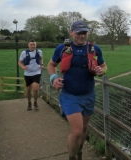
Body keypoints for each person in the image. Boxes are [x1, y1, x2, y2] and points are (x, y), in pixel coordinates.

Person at [47, 20, 107, 160]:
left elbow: (104, 66)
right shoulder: (62, 49)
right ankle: (72, 157)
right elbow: (51, 65)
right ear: (71, 32)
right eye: (78, 32)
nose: (82, 36)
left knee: (84, 129)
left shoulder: (94, 49)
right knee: (77, 131)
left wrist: (101, 71)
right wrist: (53, 78)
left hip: (88, 95)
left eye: (84, 32)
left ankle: (79, 151)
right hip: (70, 95)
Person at [18, 39, 44, 110]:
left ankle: (35, 102)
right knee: (28, 89)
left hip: (36, 72)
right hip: (28, 73)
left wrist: (41, 64)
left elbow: (41, 58)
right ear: (28, 45)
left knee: (35, 88)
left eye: (34, 45)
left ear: (36, 45)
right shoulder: (24, 53)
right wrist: (23, 67)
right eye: (31, 45)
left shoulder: (39, 51)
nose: (32, 46)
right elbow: (19, 62)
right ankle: (29, 102)